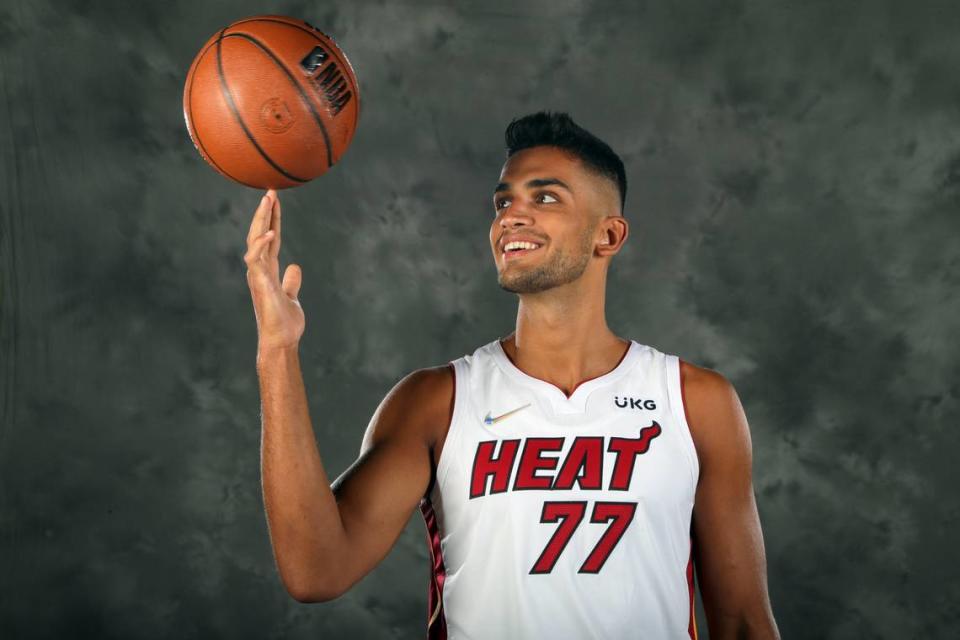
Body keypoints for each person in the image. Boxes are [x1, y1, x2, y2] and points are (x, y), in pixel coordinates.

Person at [245, 111, 780, 640]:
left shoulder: (695, 402)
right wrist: (277, 352)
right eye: (504, 202)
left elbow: (743, 623)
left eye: (544, 198)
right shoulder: (436, 401)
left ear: (608, 235)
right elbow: (316, 570)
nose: (511, 217)